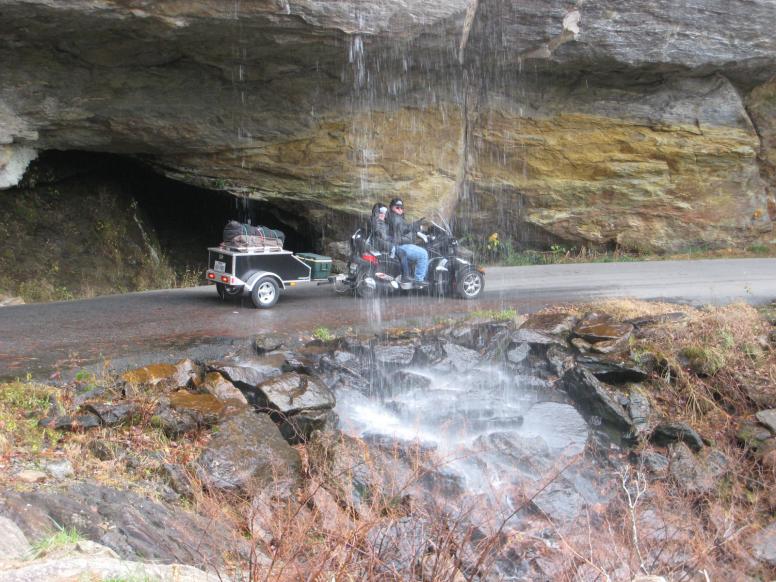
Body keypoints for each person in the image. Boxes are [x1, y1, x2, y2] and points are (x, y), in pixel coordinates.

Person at [386, 198, 428, 288]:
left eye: (401, 207)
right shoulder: (394, 218)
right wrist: (415, 224)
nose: (400, 209)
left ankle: (413, 276)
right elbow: (403, 229)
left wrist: (415, 229)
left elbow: (402, 231)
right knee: (423, 254)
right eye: (397, 207)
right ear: (391, 207)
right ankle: (418, 281)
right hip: (398, 246)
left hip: (395, 244)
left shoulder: (394, 217)